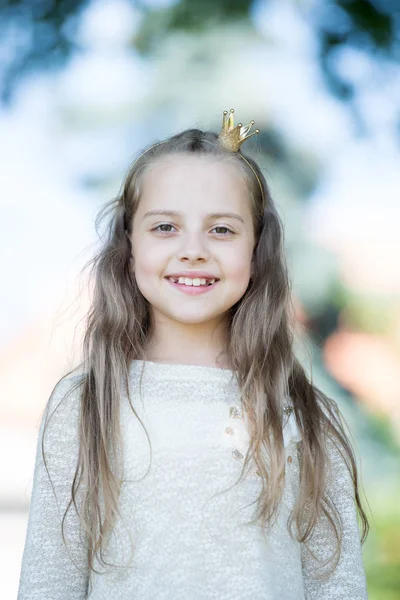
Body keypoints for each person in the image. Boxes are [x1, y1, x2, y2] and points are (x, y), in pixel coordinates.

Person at [18, 109, 369, 599]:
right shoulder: (84, 404)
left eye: (222, 230)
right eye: (165, 227)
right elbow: (48, 583)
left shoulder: (306, 414)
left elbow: (338, 586)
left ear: (257, 249)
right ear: (129, 244)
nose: (194, 250)